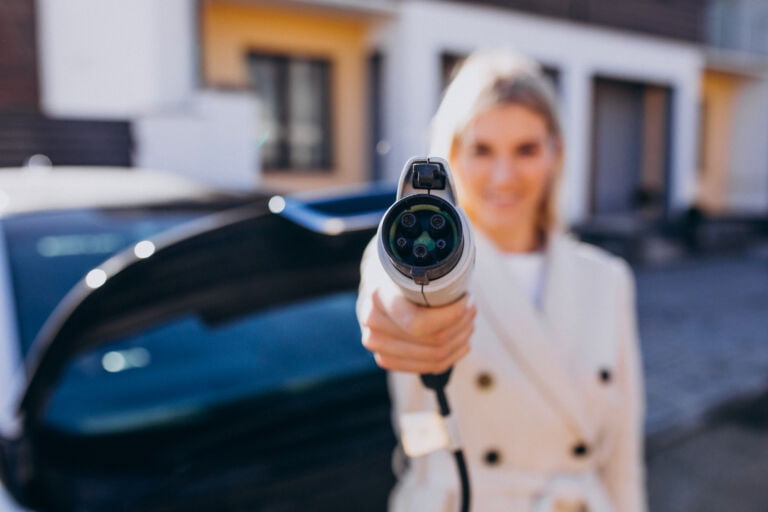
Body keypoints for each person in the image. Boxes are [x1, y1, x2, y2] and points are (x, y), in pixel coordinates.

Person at [356, 50, 646, 512]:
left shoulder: (607, 280)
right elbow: (390, 295)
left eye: (526, 150)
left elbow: (623, 458)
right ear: (451, 156)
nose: (503, 176)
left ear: (556, 153)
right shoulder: (419, 261)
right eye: (482, 150)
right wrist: (400, 320)